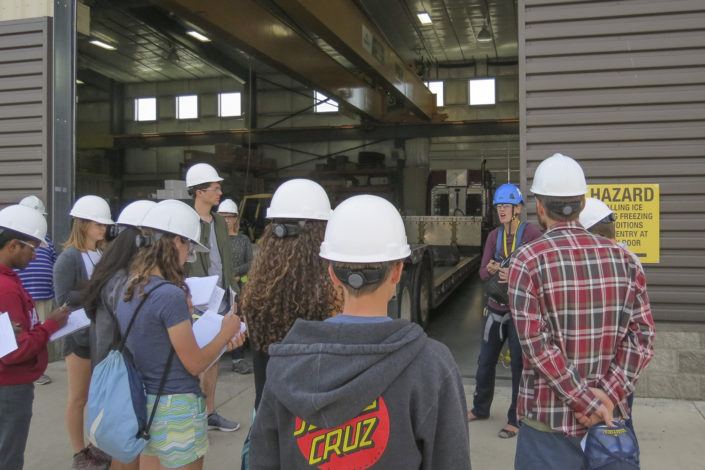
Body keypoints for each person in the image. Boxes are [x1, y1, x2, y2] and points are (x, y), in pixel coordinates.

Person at [249, 194, 471, 469]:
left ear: (331, 273)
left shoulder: (284, 366)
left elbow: (262, 460)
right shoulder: (433, 367)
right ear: (398, 271)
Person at [509, 153, 655, 469]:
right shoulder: (625, 259)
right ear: (584, 203)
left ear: (540, 207)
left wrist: (584, 400)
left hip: (547, 427)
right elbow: (642, 339)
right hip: (609, 423)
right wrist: (606, 396)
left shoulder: (527, 261)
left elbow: (536, 347)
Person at [115, 199, 245, 470]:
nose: (189, 256)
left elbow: (157, 344)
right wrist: (225, 333)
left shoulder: (131, 287)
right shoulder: (169, 296)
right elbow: (194, 364)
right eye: (189, 246)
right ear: (176, 241)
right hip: (177, 408)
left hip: (143, 403)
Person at [240, 178, 341, 411]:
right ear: (319, 231)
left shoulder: (256, 291)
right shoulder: (331, 292)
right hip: (311, 418)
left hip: (266, 412)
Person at [467, 183, 542, 439]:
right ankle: (480, 408)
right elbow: (480, 273)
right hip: (495, 309)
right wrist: (492, 269)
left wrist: (516, 273)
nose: (501, 210)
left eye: (506, 206)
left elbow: (541, 271)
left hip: (519, 312)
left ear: (518, 208)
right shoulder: (493, 236)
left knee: (519, 366)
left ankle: (516, 418)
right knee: (485, 363)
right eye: (498, 206)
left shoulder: (532, 234)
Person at [0, 204, 70, 470]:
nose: (35, 256)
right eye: (33, 248)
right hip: (10, 388)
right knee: (8, 457)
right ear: (13, 245)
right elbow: (13, 352)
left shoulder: (9, 280)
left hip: (9, 386)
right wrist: (51, 324)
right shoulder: (5, 288)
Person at [54, 195, 114, 470]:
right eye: (98, 223)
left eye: (104, 224)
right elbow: (63, 297)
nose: (103, 228)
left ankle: (94, 446)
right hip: (79, 337)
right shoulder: (68, 258)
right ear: (82, 223)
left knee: (98, 396)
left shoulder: (101, 254)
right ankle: (79, 452)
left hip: (100, 335)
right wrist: (95, 290)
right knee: (78, 397)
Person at [184, 162, 240, 432]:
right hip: (194, 300)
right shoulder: (186, 221)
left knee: (214, 357)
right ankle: (193, 414)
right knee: (194, 360)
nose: (219, 192)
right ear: (199, 191)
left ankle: (209, 412)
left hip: (221, 298)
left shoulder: (218, 221)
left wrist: (234, 294)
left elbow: (226, 260)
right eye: (215, 188)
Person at [579, 197, 639, 434]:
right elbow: (640, 336)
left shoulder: (587, 267)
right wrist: (613, 390)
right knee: (617, 444)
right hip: (618, 379)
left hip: (587, 382)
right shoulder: (631, 262)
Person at [84, 200, 157, 372]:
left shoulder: (111, 271)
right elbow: (136, 333)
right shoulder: (124, 281)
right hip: (122, 374)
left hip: (110, 369)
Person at [14, 195, 58, 386]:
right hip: (22, 297)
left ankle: (37, 370)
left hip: (44, 296)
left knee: (41, 333)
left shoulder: (45, 241)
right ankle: (26, 369)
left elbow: (55, 263)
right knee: (23, 335)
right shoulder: (15, 244)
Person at [216, 198, 254, 374]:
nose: (226, 220)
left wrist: (237, 275)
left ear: (235, 219)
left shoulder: (243, 240)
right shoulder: (214, 239)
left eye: (230, 217)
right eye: (223, 216)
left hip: (238, 286)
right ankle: (213, 356)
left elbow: (250, 263)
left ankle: (238, 359)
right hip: (218, 286)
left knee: (236, 320)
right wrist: (228, 275)